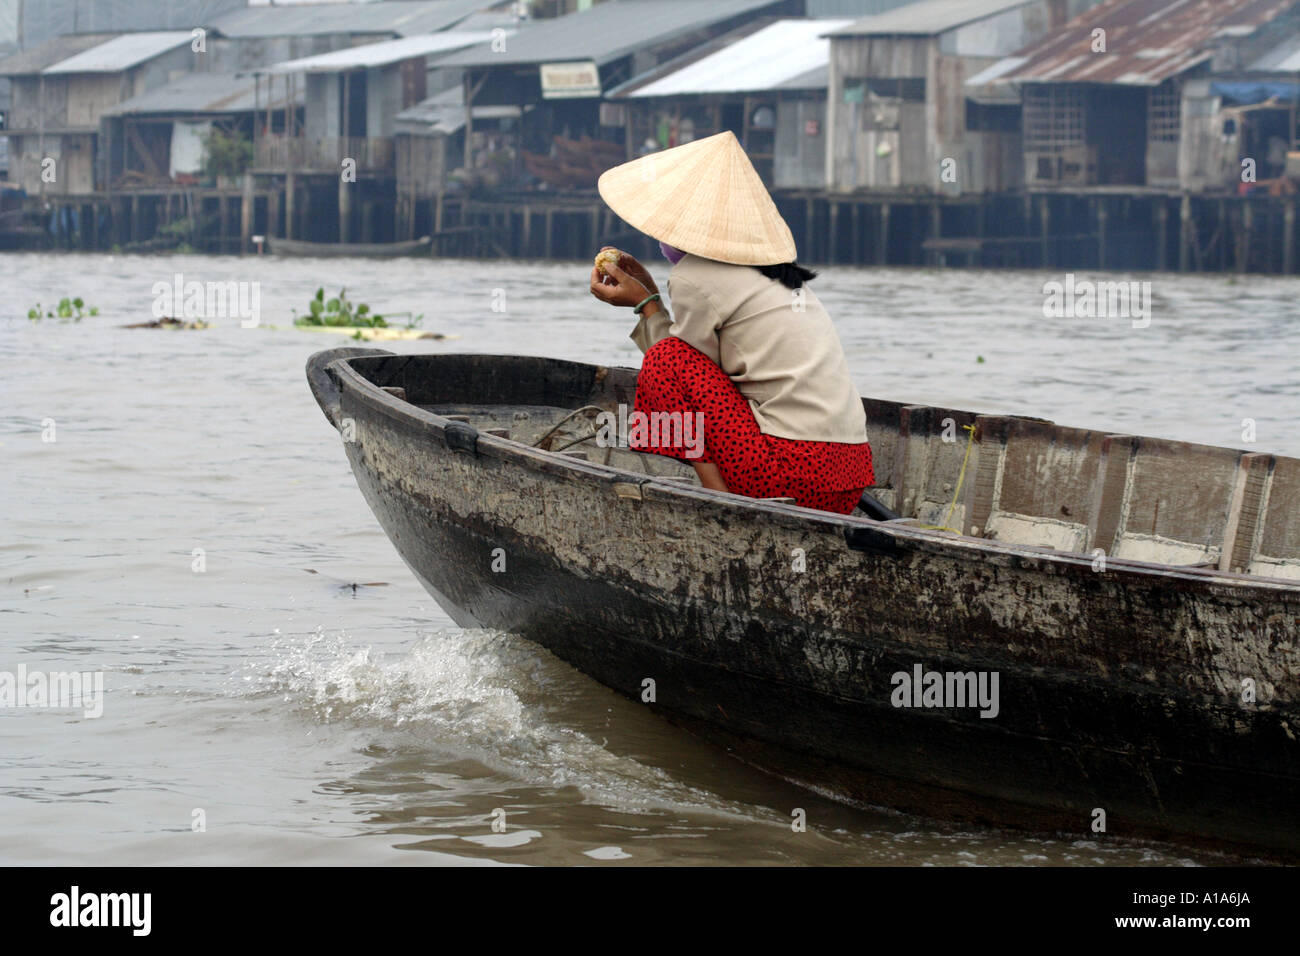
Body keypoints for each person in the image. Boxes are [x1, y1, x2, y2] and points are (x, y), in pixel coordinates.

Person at [588, 130, 873, 515]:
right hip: (848, 479)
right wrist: (650, 297)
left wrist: (645, 305)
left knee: (664, 361)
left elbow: (676, 372)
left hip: (791, 476)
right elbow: (709, 371)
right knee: (674, 359)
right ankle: (724, 492)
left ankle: (720, 500)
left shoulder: (694, 275)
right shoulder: (777, 275)